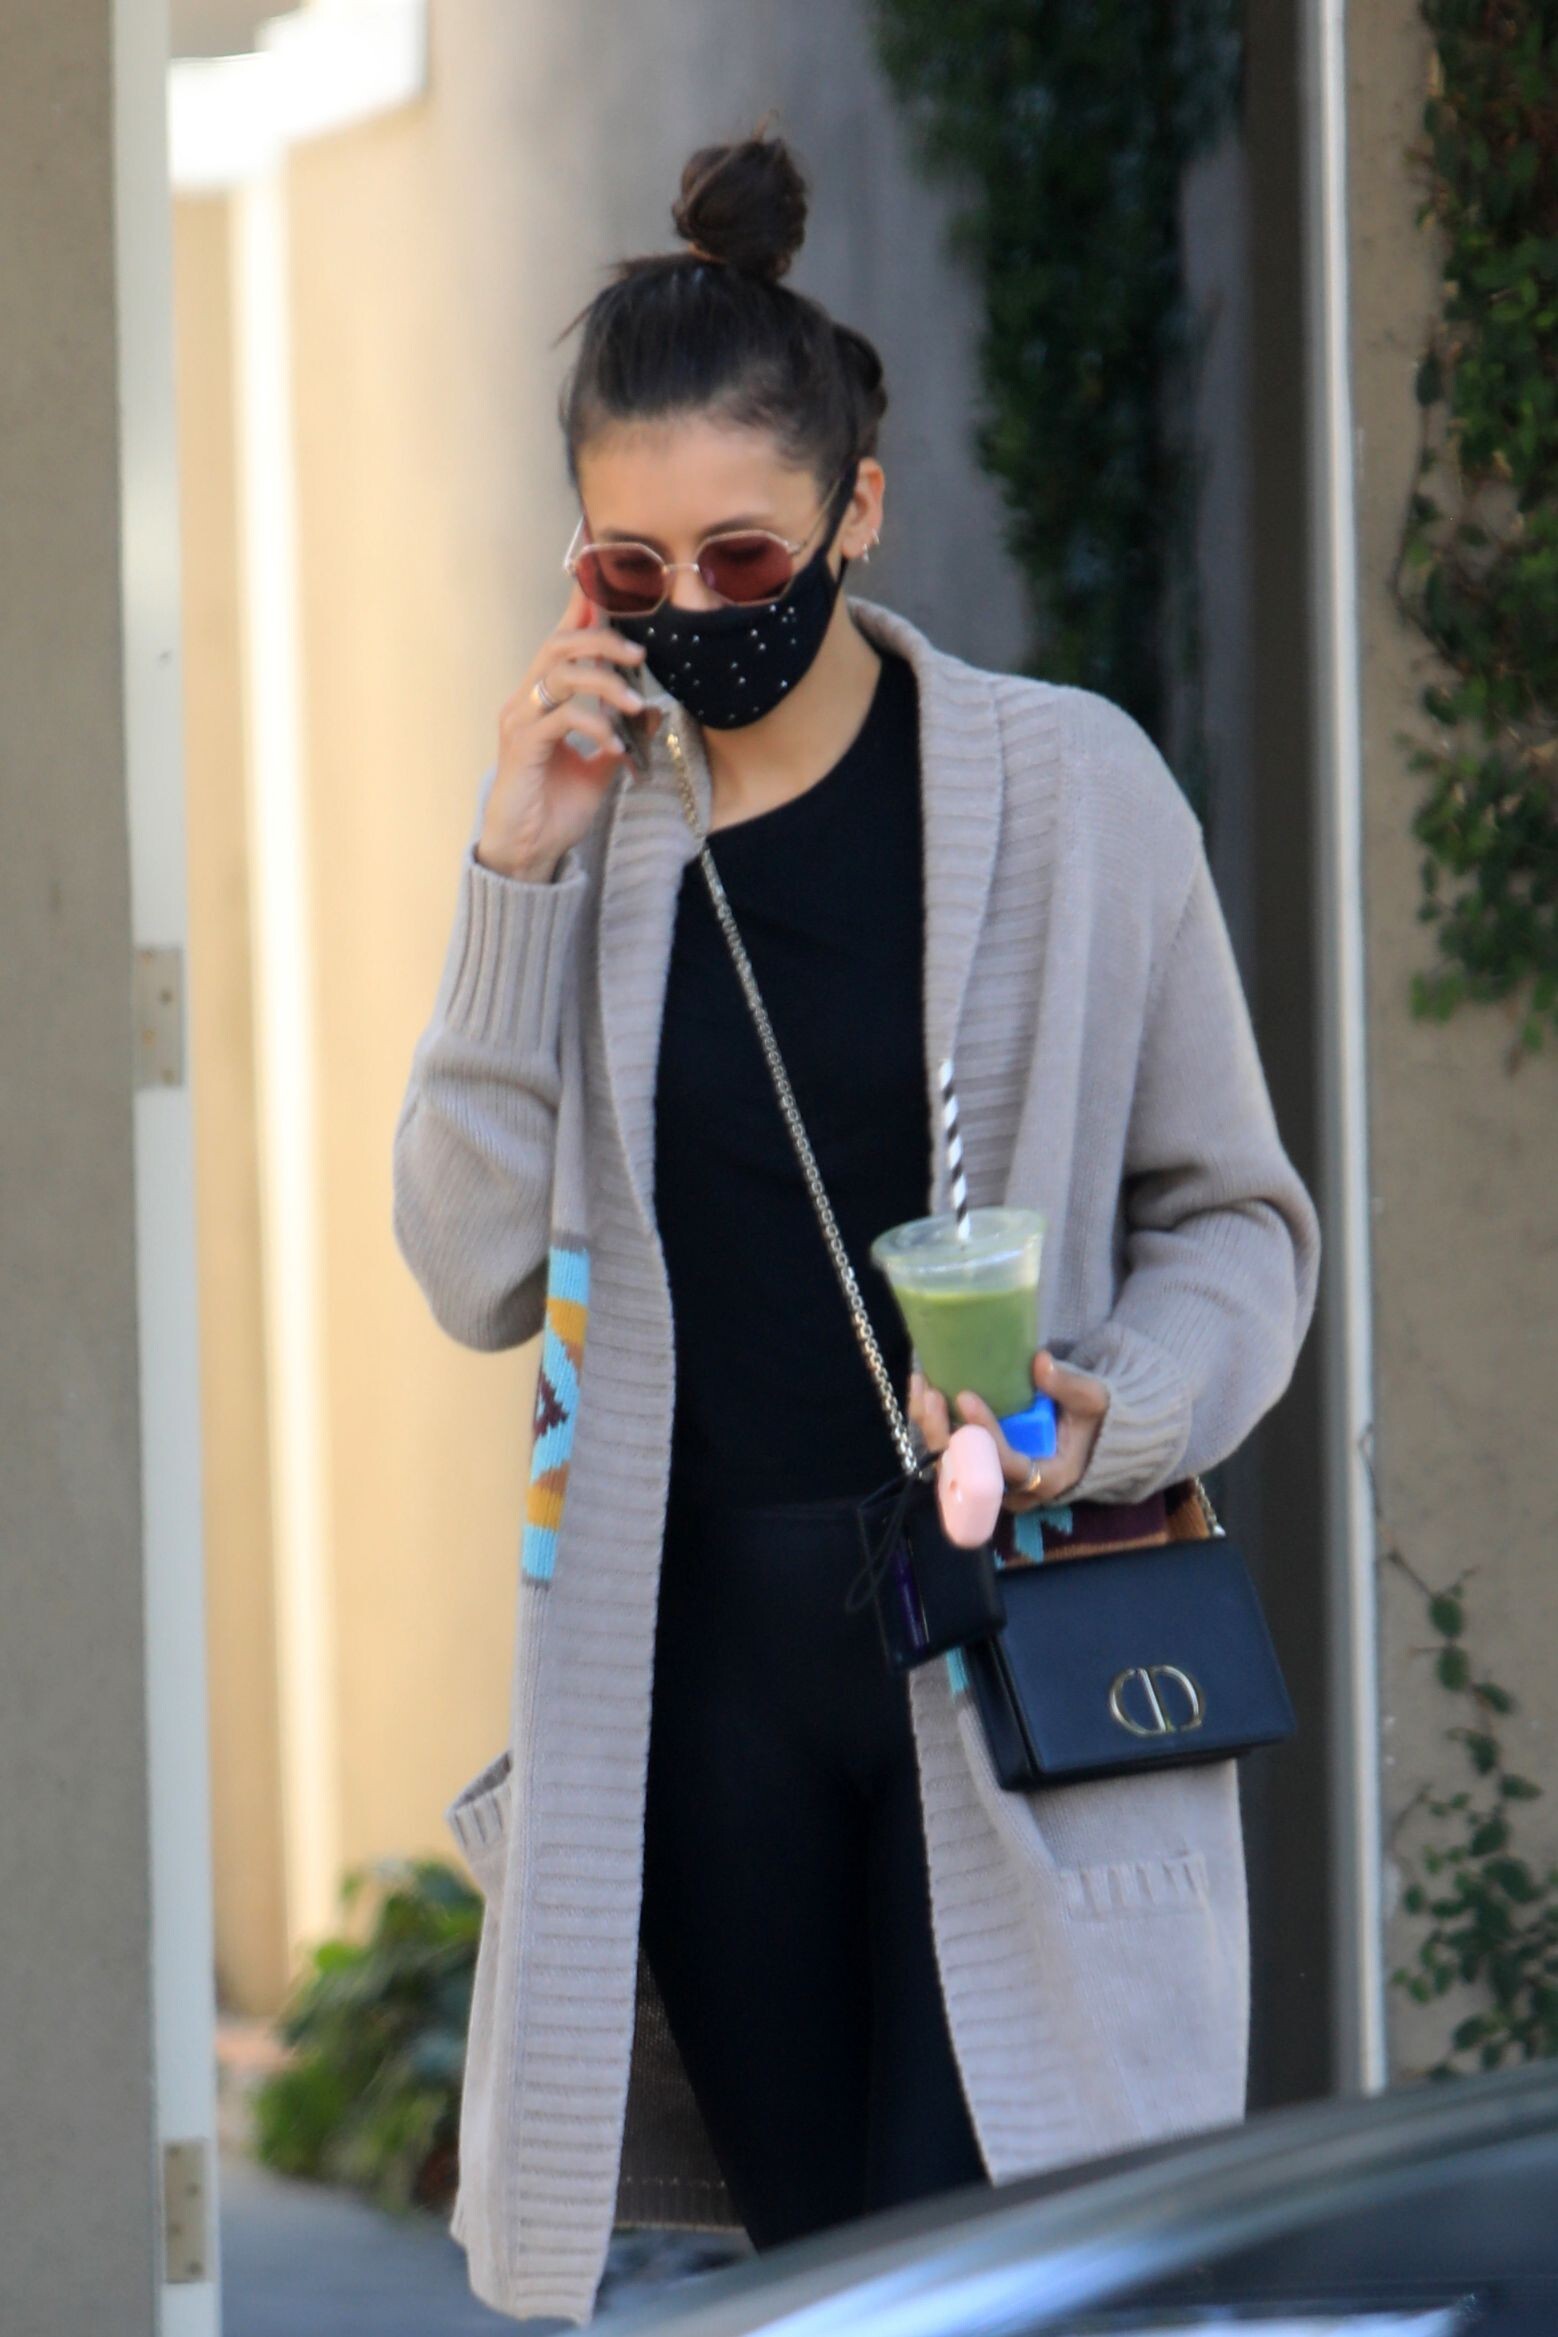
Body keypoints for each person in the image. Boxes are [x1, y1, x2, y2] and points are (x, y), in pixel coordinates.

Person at [392, 126, 1321, 2328]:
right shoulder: (585, 844)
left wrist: (1104, 1406)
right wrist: (509, 873)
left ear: (856, 513)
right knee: (832, 2288)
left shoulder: (1072, 792)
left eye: (744, 552)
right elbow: (467, 1266)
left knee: (1006, 2267)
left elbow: (1237, 1221)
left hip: (1007, 1627)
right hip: (702, 1667)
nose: (697, 608)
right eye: (632, 568)